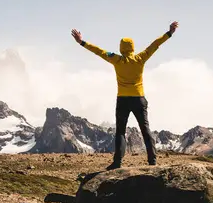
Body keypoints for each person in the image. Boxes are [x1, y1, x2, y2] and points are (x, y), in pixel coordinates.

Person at [71, 21, 178, 169]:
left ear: (121, 48)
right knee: (145, 130)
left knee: (120, 131)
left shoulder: (116, 59)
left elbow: (99, 51)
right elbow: (155, 45)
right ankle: (152, 160)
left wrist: (81, 42)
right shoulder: (140, 58)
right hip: (139, 99)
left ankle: (117, 162)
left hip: (122, 100)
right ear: (133, 48)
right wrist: (169, 33)